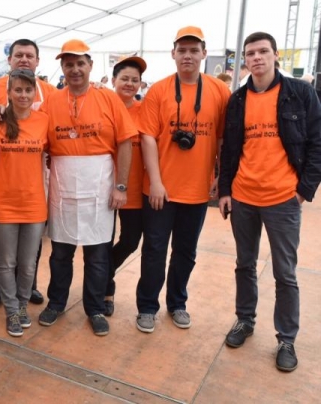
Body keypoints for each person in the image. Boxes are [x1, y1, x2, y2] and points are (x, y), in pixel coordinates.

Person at [219, 32, 321, 372]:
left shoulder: (300, 93)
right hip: (244, 196)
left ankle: (286, 339)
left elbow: (317, 143)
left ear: (276, 55)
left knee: (285, 273)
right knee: (244, 264)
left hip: (283, 198)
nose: (257, 58)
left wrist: (304, 189)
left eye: (263, 51)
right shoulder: (237, 100)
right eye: (250, 53)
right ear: (245, 59)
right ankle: (245, 320)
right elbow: (229, 149)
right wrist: (225, 190)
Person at [37, 39, 135, 336]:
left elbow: (125, 142)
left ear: (90, 65)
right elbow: (36, 137)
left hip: (100, 186)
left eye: (80, 63)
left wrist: (120, 186)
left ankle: (94, 308)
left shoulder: (108, 99)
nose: (75, 69)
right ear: (62, 68)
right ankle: (56, 303)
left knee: (97, 255)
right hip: (63, 187)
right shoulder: (51, 101)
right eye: (69, 64)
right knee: (60, 253)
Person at [135, 26, 230, 333]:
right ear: (173, 54)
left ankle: (177, 303)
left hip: (197, 190)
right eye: (182, 50)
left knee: (186, 253)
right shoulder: (159, 91)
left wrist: (221, 176)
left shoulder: (219, 91)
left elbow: (222, 138)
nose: (187, 56)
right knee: (154, 251)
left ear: (204, 53)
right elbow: (148, 138)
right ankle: (147, 307)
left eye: (194, 50)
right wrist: (156, 182)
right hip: (160, 190)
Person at [0, 38, 57, 310]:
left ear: (37, 61)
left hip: (33, 195)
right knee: (0, 252)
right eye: (19, 55)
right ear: (10, 59)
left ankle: (27, 291)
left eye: (29, 55)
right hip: (3, 193)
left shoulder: (50, 95)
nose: (24, 59)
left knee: (28, 256)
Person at [0, 68, 49, 337]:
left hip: (34, 204)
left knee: (28, 264)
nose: (23, 95)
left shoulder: (43, 121)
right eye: (18, 90)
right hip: (3, 203)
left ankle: (22, 305)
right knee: (6, 262)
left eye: (28, 90)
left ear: (35, 92)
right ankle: (11, 310)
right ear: (9, 92)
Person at [104, 56, 148, 317]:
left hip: (134, 189)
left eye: (135, 80)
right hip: (104, 187)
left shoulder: (145, 110)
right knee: (102, 242)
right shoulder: (103, 107)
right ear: (113, 81)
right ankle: (106, 292)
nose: (130, 84)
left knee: (130, 241)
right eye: (124, 79)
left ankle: (101, 273)